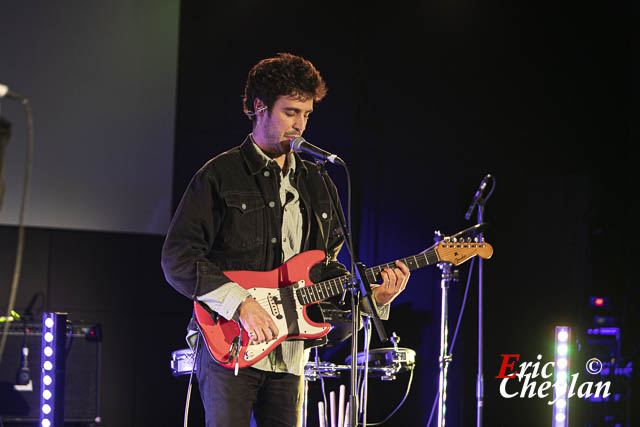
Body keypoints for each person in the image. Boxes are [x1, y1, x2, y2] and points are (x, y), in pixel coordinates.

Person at [161, 53, 410, 427]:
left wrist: (370, 302)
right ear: (259, 107)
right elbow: (178, 258)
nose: (300, 125)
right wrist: (241, 303)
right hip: (231, 345)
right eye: (291, 112)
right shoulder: (219, 175)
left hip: (292, 351)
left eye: (307, 114)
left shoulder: (319, 182)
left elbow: (325, 272)